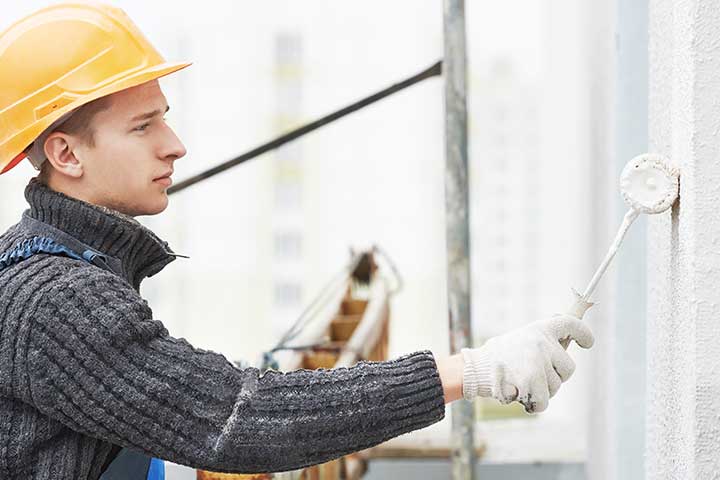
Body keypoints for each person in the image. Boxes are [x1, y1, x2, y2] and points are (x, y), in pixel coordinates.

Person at [0, 3, 595, 479]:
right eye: (144, 126)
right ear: (66, 153)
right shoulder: (56, 299)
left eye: (165, 116)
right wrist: (475, 370)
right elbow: (238, 420)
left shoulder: (54, 269)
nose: (175, 144)